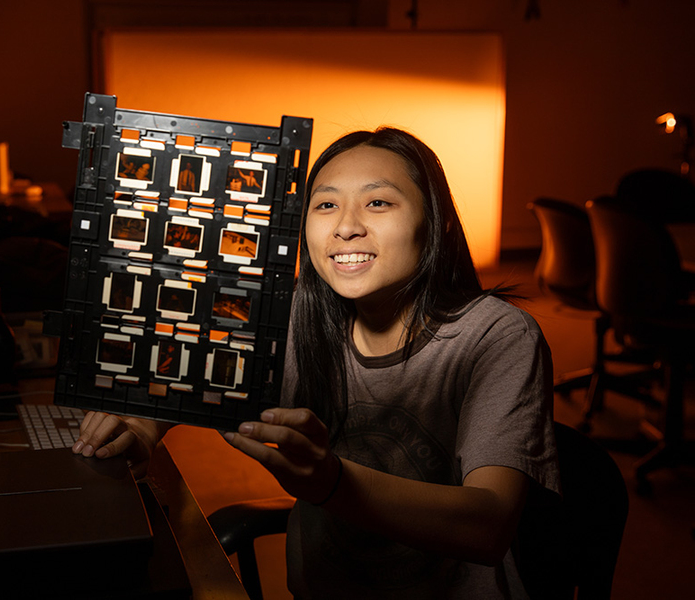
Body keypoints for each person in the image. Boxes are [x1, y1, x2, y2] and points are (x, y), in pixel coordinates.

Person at [72, 127, 560, 598]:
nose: (346, 226)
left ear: (436, 222)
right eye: (326, 204)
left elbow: (489, 526)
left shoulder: (495, 335)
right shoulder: (294, 313)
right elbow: (190, 372)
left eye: (378, 202)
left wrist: (332, 483)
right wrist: (142, 424)